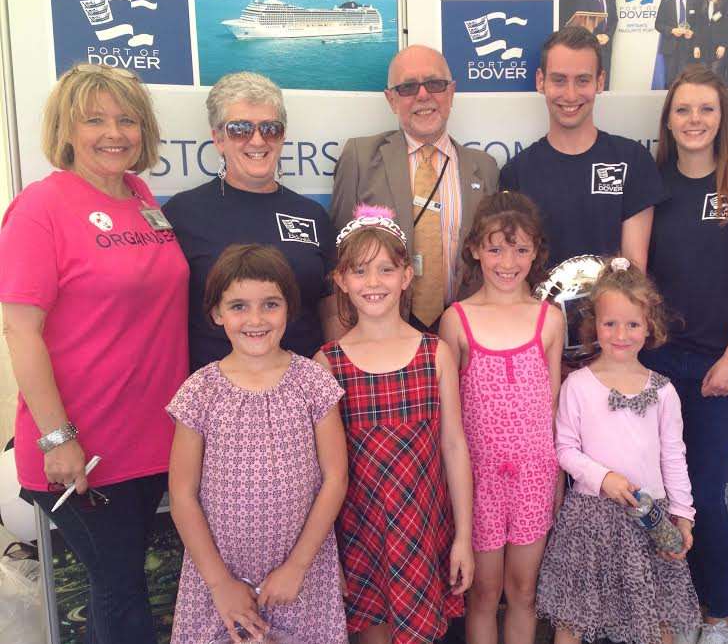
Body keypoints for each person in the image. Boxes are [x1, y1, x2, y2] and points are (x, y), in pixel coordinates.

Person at [0, 63, 188, 643]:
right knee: (121, 592)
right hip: (86, 451)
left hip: (158, 440)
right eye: (95, 120)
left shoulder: (140, 196)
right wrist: (57, 438)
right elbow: (19, 330)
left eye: (127, 119)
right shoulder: (41, 207)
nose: (115, 133)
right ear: (67, 129)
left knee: (145, 588)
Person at [641, 65, 728, 644]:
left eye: (706, 110)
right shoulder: (651, 182)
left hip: (720, 367)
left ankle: (718, 614)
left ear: (723, 118)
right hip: (655, 364)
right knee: (651, 494)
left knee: (701, 492)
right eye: (683, 110)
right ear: (668, 120)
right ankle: (662, 610)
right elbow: (636, 274)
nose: (694, 120)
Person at [167, 244, 348, 644]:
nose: (255, 319)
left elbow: (335, 478)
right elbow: (181, 494)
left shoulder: (313, 382)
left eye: (270, 304)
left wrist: (297, 566)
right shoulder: (199, 391)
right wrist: (219, 584)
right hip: (218, 575)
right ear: (216, 313)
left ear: (289, 309)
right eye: (238, 306)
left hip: (301, 574)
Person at [320, 204, 475, 644]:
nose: (373, 283)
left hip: (422, 533)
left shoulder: (435, 353)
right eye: (361, 271)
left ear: (407, 276)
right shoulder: (327, 364)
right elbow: (325, 473)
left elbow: (453, 447)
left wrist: (463, 537)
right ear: (341, 281)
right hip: (359, 537)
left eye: (386, 269)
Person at [536, 257, 700, 644]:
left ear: (649, 327)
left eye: (632, 324)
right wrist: (602, 477)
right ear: (595, 325)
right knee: (574, 618)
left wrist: (683, 515)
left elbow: (674, 457)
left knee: (655, 616)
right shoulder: (578, 384)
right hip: (590, 520)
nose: (621, 334)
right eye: (610, 323)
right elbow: (565, 449)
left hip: (648, 517)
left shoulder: (663, 390)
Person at [439, 192, 566, 644]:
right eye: (495, 248)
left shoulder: (549, 320)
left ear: (536, 252)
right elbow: (449, 420)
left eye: (520, 249)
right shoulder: (456, 321)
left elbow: (552, 409)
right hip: (479, 480)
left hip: (534, 475)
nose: (507, 262)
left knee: (523, 592)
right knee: (484, 593)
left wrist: (555, 480)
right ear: (475, 249)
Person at [163, 71, 338, 372]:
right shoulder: (183, 214)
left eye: (270, 128)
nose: (257, 140)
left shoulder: (312, 216)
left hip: (305, 395)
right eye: (240, 129)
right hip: (217, 400)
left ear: (282, 135)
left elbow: (331, 312)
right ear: (218, 138)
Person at [331, 45, 500, 332]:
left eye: (434, 84)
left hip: (465, 330)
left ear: (451, 92)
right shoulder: (359, 157)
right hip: (380, 332)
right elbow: (338, 257)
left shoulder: (484, 168)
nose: (423, 95)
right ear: (391, 99)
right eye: (408, 87)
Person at [500, 27, 667, 270]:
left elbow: (634, 271)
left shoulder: (632, 161)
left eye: (582, 80)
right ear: (540, 81)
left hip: (614, 308)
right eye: (559, 80)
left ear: (600, 81)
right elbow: (514, 269)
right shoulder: (517, 173)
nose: (570, 94)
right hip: (541, 308)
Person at [572, 0, 618, 88]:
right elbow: (581, 19)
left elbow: (614, 20)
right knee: (590, 76)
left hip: (606, 43)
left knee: (604, 77)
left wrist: (608, 35)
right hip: (589, 43)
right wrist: (594, 36)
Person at [655, 0, 696, 89]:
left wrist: (692, 32)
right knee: (670, 80)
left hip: (688, 46)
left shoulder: (694, 2)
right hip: (670, 46)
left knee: (686, 80)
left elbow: (698, 24)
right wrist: (672, 30)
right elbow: (658, 24)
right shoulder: (665, 2)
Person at [692, 0, 728, 80]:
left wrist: (723, 45)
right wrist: (696, 46)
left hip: (718, 47)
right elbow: (697, 26)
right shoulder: (702, 4)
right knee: (703, 77)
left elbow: (727, 26)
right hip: (704, 47)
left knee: (716, 76)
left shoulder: (725, 4)